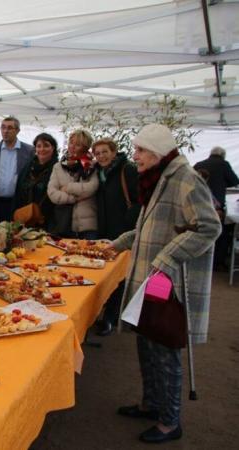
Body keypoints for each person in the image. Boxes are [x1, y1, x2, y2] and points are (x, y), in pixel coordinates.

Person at [112, 124, 221, 444]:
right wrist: (117, 243)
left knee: (163, 342)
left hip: (166, 281)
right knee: (146, 338)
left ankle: (170, 420)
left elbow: (208, 227)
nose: (136, 156)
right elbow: (147, 227)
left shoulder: (186, 179)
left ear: (158, 151)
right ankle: (151, 403)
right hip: (152, 276)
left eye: (141, 150)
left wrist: (167, 259)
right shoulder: (157, 178)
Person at [92, 138, 141, 336]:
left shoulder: (126, 170)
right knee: (106, 273)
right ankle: (104, 314)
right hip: (106, 230)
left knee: (119, 276)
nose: (101, 156)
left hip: (123, 230)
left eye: (105, 152)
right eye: (97, 153)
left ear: (114, 152)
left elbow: (139, 200)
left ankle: (110, 318)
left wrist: (127, 221)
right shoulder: (99, 172)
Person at [0, 116, 34, 223]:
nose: (5, 131)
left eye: (9, 128)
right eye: (3, 127)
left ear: (17, 131)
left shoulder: (29, 151)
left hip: (15, 205)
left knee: (12, 237)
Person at [47, 129, 98, 239]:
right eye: (71, 143)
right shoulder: (58, 166)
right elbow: (52, 192)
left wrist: (68, 188)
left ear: (85, 147)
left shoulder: (92, 165)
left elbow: (92, 187)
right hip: (64, 223)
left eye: (78, 144)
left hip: (88, 224)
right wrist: (72, 198)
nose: (72, 147)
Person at [193, 146, 239, 270]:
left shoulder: (199, 164)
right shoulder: (224, 164)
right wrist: (223, 183)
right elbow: (235, 181)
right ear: (222, 155)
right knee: (221, 232)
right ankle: (218, 262)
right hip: (216, 206)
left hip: (197, 204)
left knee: (198, 229)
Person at [14, 133, 58, 230]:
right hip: (25, 218)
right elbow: (18, 190)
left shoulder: (57, 168)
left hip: (47, 221)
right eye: (39, 146)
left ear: (53, 148)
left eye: (46, 145)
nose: (42, 149)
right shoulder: (28, 167)